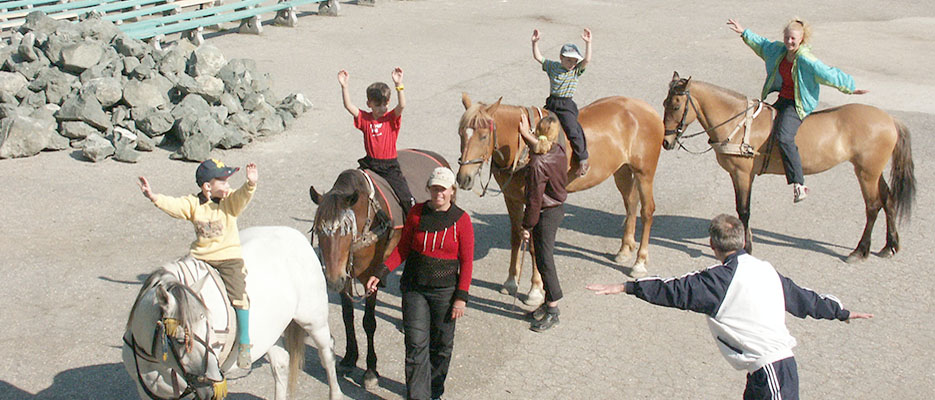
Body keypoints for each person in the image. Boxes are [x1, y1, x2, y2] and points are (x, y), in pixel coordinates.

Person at [587, 214, 873, 399]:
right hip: (768, 374)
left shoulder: (716, 281)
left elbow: (672, 290)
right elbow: (805, 300)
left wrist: (627, 287)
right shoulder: (765, 269)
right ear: (743, 241)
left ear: (712, 245)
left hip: (771, 374)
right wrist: (841, 312)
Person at [726, 18, 868, 203]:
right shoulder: (779, 51)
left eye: (793, 39)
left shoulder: (806, 60)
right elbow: (762, 45)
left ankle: (799, 183)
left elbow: (828, 73)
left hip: (798, 104)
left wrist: (849, 88)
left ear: (801, 39)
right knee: (760, 124)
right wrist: (744, 33)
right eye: (787, 38)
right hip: (783, 99)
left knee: (784, 136)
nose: (789, 42)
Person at [138, 159, 259, 369]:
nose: (228, 185)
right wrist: (153, 197)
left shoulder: (230, 203)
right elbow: (175, 205)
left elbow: (242, 197)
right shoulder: (194, 204)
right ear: (207, 187)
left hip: (228, 258)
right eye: (222, 181)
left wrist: (250, 184)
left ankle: (244, 341)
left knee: (240, 295)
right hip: (200, 257)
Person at [365, 167, 474, 400]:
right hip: (415, 289)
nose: (438, 193)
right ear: (429, 189)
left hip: (445, 294)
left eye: (443, 189)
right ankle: (418, 396)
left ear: (452, 191)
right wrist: (382, 271)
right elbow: (403, 248)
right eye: (435, 188)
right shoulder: (416, 213)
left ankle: (434, 392)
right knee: (415, 346)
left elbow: (466, 263)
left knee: (442, 348)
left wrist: (461, 298)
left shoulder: (462, 221)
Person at [338, 67, 415, 215]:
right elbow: (348, 106)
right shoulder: (365, 119)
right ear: (369, 104)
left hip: (390, 166)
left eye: (385, 104)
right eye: (377, 105)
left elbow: (402, 105)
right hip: (370, 164)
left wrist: (399, 85)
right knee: (351, 187)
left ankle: (410, 222)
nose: (382, 108)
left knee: (406, 197)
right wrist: (344, 86)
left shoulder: (391, 118)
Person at [518, 113, 568, 332]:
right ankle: (547, 302)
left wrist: (526, 226)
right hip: (556, 210)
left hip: (545, 214)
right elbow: (541, 145)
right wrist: (525, 133)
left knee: (545, 259)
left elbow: (534, 200)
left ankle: (553, 308)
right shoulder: (558, 151)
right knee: (542, 257)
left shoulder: (538, 163)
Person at [531, 27, 592, 177]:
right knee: (542, 127)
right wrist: (535, 43)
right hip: (552, 102)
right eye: (568, 59)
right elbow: (538, 57)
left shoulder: (576, 71)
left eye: (574, 60)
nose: (571, 63)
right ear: (561, 57)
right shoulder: (553, 67)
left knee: (572, 130)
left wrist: (588, 43)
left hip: (566, 105)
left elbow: (587, 60)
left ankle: (583, 159)